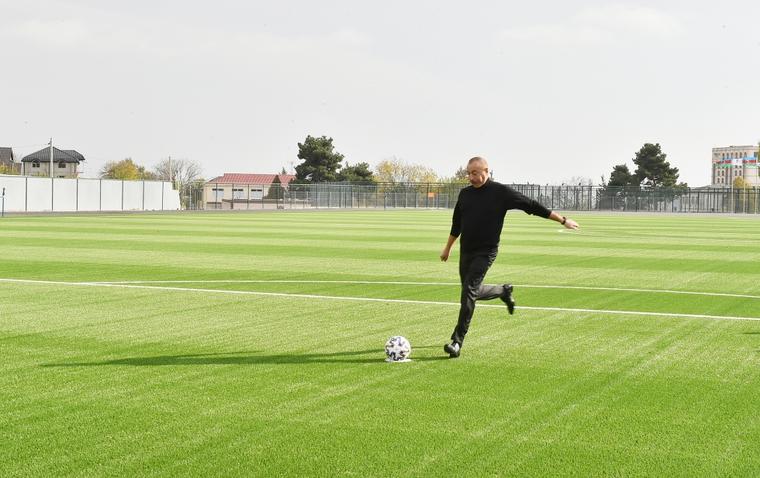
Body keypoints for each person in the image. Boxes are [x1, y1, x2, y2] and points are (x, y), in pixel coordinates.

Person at [440, 157, 579, 358]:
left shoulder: (500, 192)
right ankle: (503, 291)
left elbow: (531, 205)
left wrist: (563, 220)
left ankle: (457, 341)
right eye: (468, 173)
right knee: (471, 291)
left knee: (468, 292)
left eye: (475, 173)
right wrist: (448, 248)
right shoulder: (465, 194)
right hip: (466, 251)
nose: (471, 177)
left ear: (486, 171)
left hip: (486, 252)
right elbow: (456, 224)